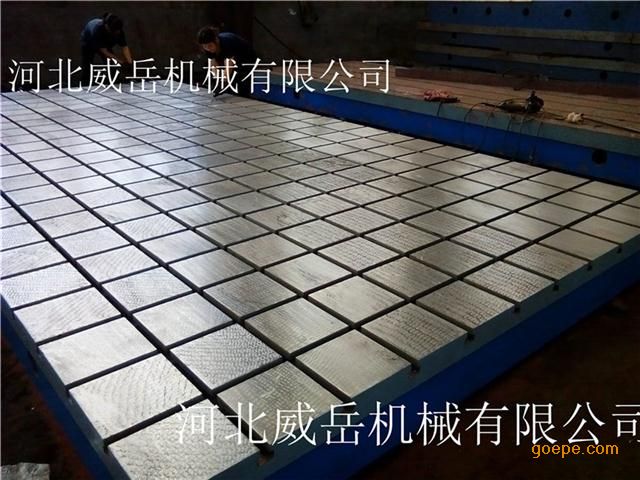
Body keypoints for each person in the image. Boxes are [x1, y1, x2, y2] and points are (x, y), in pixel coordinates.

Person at [197, 26, 257, 97]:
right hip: (230, 59)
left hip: (246, 59)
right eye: (205, 46)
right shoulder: (208, 48)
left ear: (216, 40)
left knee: (239, 84)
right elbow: (214, 65)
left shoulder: (227, 43)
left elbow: (229, 67)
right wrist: (217, 80)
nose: (208, 49)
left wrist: (223, 83)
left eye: (210, 46)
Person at [80, 13, 133, 86]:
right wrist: (120, 62)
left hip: (105, 43)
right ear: (107, 27)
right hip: (88, 41)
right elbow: (104, 51)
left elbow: (124, 47)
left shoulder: (118, 30)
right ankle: (85, 83)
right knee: (87, 63)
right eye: (114, 31)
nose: (117, 32)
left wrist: (129, 62)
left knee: (111, 64)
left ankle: (112, 80)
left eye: (118, 31)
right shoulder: (98, 30)